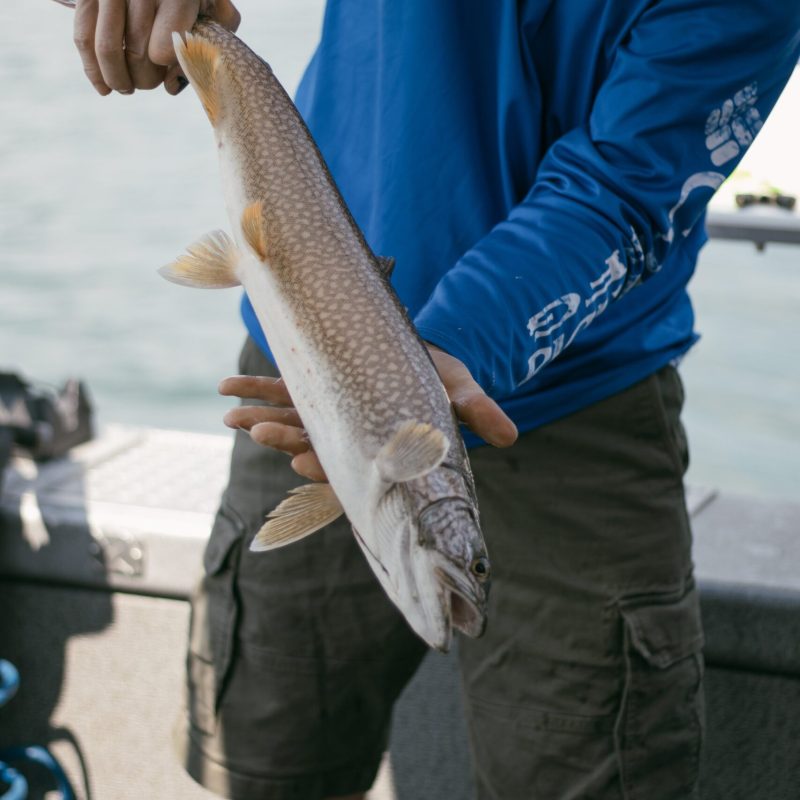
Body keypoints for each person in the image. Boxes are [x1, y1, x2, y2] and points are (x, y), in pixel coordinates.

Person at [72, 1, 800, 798]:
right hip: (304, 357)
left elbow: (624, 184)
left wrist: (452, 348)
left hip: (581, 396)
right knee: (262, 757)